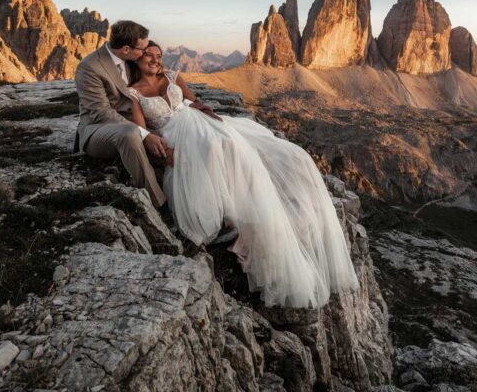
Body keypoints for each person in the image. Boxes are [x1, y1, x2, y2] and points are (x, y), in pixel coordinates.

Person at [126, 41, 359, 308]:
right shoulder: (135, 93)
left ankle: (250, 200)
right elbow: (141, 130)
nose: (155, 60)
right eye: (148, 55)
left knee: (272, 151)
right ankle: (236, 214)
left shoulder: (173, 76)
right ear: (136, 58)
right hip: (174, 134)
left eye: (158, 55)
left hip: (198, 123)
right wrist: (156, 144)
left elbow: (193, 101)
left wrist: (202, 110)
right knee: (215, 147)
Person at [74, 20, 172, 208]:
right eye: (142, 50)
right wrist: (145, 134)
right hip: (98, 129)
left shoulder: (131, 61)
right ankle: (159, 204)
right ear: (126, 49)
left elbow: (157, 76)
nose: (145, 53)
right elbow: (101, 113)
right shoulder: (90, 67)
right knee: (130, 135)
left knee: (175, 136)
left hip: (135, 123)